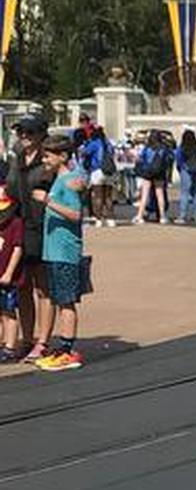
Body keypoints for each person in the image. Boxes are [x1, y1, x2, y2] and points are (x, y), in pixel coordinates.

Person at [36, 130, 87, 370]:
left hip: (65, 251)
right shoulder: (63, 179)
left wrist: (48, 201)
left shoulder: (68, 181)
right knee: (59, 299)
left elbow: (76, 215)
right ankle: (64, 346)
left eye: (48, 156)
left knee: (66, 301)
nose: (44, 160)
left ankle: (68, 350)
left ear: (62, 156)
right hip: (55, 250)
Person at [6, 115, 54, 360]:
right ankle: (27, 338)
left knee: (42, 288)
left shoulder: (48, 161)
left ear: (40, 135)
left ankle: (43, 341)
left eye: (29, 132)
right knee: (22, 286)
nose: (23, 136)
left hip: (43, 229)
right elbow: (10, 190)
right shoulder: (16, 159)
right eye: (20, 132)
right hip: (20, 228)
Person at [0, 186, 25, 361]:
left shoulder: (15, 223)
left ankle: (10, 346)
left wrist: (9, 272)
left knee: (9, 312)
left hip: (8, 276)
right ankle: (3, 342)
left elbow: (17, 249)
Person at [79, 124, 117, 226]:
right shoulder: (108, 143)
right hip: (110, 171)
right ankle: (111, 219)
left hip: (97, 171)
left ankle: (98, 219)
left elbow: (84, 153)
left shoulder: (94, 143)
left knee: (97, 196)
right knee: (108, 196)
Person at [133, 129, 172, 224]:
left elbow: (141, 159)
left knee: (145, 195)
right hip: (159, 173)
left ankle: (140, 215)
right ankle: (162, 216)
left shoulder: (147, 148)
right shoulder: (164, 148)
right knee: (160, 195)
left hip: (148, 172)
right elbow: (168, 160)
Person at [175, 129, 196, 223]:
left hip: (186, 169)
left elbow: (179, 160)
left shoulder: (182, 148)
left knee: (185, 193)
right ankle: (195, 216)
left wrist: (180, 169)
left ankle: (182, 215)